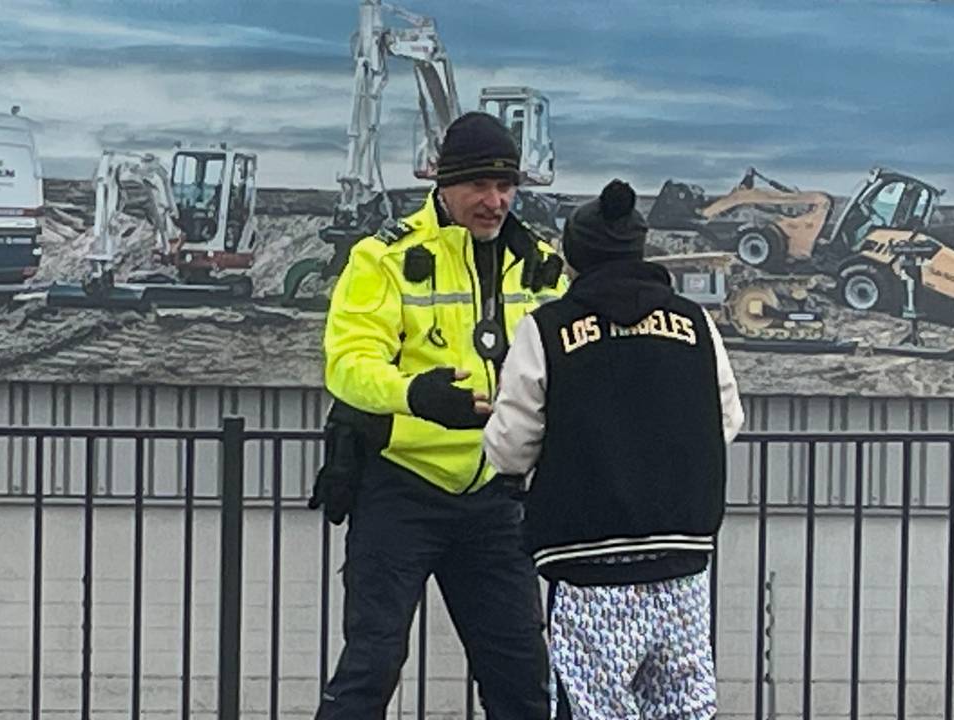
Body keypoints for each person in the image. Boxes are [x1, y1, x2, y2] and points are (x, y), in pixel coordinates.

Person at [314, 111, 566, 718]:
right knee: (369, 670)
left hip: (493, 494)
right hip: (402, 488)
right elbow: (346, 365)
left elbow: (568, 361)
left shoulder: (541, 263)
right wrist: (415, 393)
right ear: (444, 185)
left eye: (506, 186)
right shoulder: (384, 257)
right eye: (479, 185)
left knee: (523, 679)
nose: (495, 200)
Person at [483, 179, 744, 719]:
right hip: (682, 566)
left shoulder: (547, 330)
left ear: (573, 256)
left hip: (587, 567)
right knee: (682, 709)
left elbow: (510, 449)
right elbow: (727, 420)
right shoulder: (696, 325)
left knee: (592, 708)